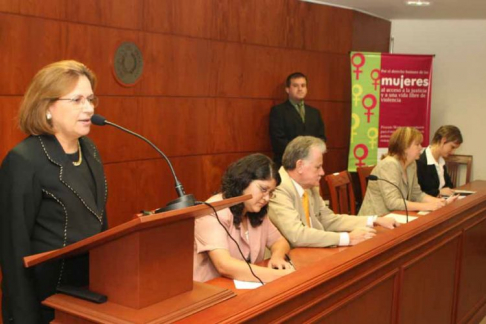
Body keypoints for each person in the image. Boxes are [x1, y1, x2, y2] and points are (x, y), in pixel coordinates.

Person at [0, 60, 107, 324]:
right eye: (77, 100)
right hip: (47, 300)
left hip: (91, 296)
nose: (89, 108)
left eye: (91, 99)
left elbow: (100, 224)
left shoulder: (90, 150)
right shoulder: (24, 160)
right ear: (47, 107)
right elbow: (14, 251)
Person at [268, 136, 398, 248]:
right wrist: (347, 238)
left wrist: (375, 220)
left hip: (314, 250)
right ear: (300, 165)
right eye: (317, 167)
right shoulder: (279, 189)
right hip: (292, 259)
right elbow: (297, 235)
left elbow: (329, 220)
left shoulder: (309, 186)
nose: (322, 172)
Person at [194, 154, 294, 283]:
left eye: (271, 192)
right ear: (243, 181)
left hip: (242, 287)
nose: (267, 198)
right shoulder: (211, 212)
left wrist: (277, 257)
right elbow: (224, 265)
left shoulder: (256, 211)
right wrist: (278, 276)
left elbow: (280, 242)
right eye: (263, 189)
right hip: (210, 291)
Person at [359, 127, 456, 217]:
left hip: (396, 217)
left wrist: (440, 202)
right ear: (404, 147)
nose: (421, 148)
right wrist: (427, 206)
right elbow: (393, 202)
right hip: (375, 220)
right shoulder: (389, 165)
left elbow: (416, 194)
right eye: (417, 144)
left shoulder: (411, 164)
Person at [269, 72, 326, 167]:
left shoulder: (315, 112)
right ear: (287, 89)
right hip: (288, 164)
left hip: (311, 164)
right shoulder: (278, 111)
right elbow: (278, 140)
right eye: (295, 86)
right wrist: (301, 155)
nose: (300, 89)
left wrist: (310, 155)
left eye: (303, 85)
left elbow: (321, 138)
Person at [416, 125, 463, 197]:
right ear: (443, 140)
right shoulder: (419, 161)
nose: (453, 152)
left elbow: (449, 186)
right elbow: (417, 193)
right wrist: (439, 192)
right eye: (452, 147)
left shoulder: (441, 161)